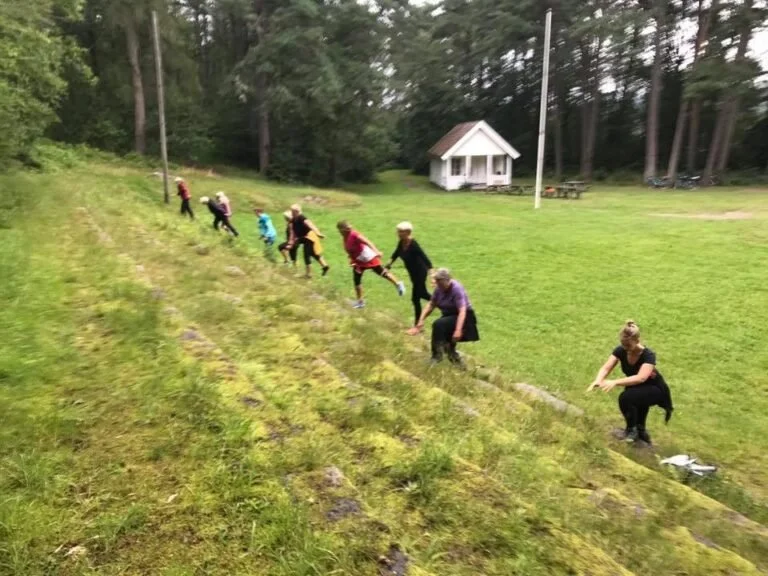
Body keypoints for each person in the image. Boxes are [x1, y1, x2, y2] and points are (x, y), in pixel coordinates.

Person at [587, 320, 674, 444]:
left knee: (626, 398)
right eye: (623, 345)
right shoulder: (621, 350)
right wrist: (598, 380)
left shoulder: (648, 355)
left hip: (656, 389)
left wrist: (615, 382)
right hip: (638, 387)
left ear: (637, 341)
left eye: (629, 346)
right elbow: (607, 367)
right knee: (635, 400)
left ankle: (632, 430)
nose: (626, 349)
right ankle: (640, 431)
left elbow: (641, 378)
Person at [415, 268, 479, 367]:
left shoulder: (456, 289)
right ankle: (460, 366)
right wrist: (421, 320)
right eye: (437, 283)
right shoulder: (439, 289)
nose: (438, 286)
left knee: (439, 324)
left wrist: (458, 330)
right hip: (449, 316)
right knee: (448, 344)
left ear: (447, 280)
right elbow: (431, 304)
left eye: (440, 283)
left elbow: (462, 310)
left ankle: (437, 356)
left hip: (465, 317)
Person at [337, 221, 406, 309]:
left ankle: (398, 284)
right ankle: (360, 302)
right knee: (356, 279)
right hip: (358, 261)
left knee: (381, 272)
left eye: (349, 227)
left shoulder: (354, 234)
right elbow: (350, 249)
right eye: (346, 228)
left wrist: (376, 251)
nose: (350, 228)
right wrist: (351, 259)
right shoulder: (345, 237)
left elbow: (367, 242)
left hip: (367, 257)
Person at [385, 221, 433, 331]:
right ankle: (440, 302)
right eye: (398, 231)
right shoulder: (401, 242)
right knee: (422, 294)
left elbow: (424, 257)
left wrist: (431, 271)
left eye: (401, 231)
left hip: (420, 273)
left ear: (408, 232)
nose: (399, 233)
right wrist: (389, 264)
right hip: (412, 273)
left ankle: (418, 325)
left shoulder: (413, 244)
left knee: (416, 298)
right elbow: (396, 253)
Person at [288, 204, 329, 278]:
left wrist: (318, 233)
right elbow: (292, 232)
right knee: (312, 253)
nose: (291, 212)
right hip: (303, 238)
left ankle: (308, 274)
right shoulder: (293, 220)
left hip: (309, 237)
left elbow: (311, 225)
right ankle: (325, 266)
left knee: (307, 254)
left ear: (297, 211)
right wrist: (291, 241)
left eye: (292, 211)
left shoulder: (302, 218)